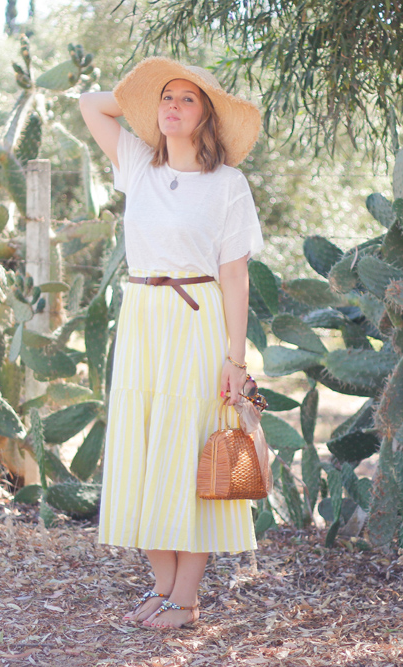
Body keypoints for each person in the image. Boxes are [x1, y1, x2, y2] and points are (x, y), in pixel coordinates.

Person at [79, 57, 264, 629]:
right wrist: (139, 98)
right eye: (167, 99)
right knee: (142, 445)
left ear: (206, 114)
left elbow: (235, 278)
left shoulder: (228, 184)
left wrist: (235, 358)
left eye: (188, 99)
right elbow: (91, 103)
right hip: (141, 315)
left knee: (189, 452)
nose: (174, 107)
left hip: (197, 317)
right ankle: (160, 589)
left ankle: (185, 599)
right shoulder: (137, 163)